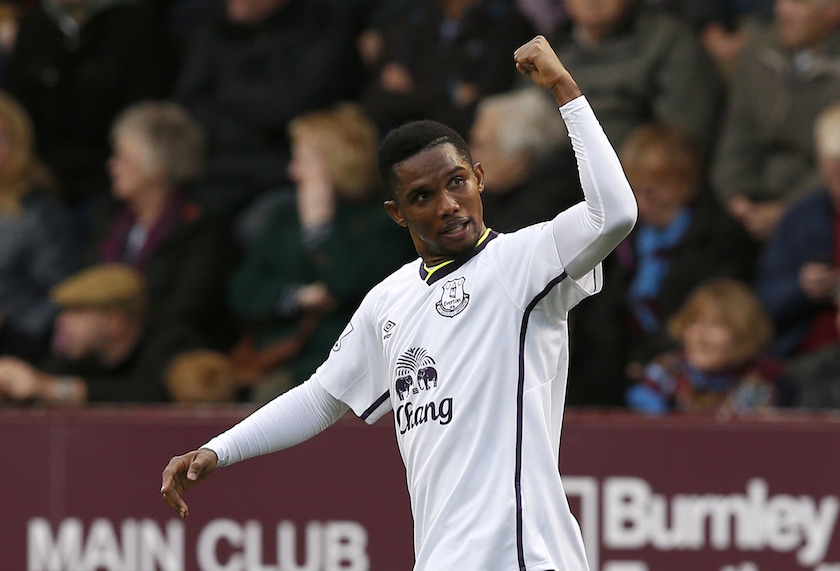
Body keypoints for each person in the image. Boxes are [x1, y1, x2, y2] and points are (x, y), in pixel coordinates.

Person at [161, 35, 637, 571]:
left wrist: (564, 89)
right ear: (397, 213)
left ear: (479, 178)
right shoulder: (389, 301)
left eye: (458, 182)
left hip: (526, 559)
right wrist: (219, 449)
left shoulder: (523, 261)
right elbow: (320, 398)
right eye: (423, 197)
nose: (449, 204)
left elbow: (614, 214)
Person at [227, 103, 415, 401]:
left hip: (345, 365)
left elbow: (347, 282)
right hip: (273, 355)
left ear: (335, 161)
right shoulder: (284, 217)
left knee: (275, 397)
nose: (293, 172)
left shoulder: (386, 220)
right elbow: (243, 290)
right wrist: (297, 296)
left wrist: (319, 231)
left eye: (302, 160)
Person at [173, 0, 365, 215]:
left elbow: (294, 104)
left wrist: (226, 99)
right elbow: (190, 102)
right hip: (216, 161)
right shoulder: (216, 28)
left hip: (284, 165)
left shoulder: (324, 23)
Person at [2, 0, 174, 227]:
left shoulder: (137, 25)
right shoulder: (35, 25)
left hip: (106, 182)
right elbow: (16, 114)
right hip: (41, 180)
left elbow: (143, 115)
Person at [86, 101, 239, 351]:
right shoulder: (110, 215)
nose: (112, 166)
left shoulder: (202, 226)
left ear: (156, 166)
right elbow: (88, 281)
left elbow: (188, 307)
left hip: (170, 348)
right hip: (105, 343)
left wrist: (123, 326)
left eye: (122, 158)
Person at [616, 121, 758, 371]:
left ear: (686, 183)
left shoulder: (721, 237)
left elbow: (709, 315)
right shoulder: (625, 237)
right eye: (633, 190)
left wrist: (648, 361)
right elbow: (605, 317)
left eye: (652, 190)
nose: (641, 201)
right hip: (625, 363)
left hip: (689, 363)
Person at [711, 0, 840, 241]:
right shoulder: (757, 53)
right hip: (748, 205)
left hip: (818, 209)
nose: (783, 11)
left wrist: (785, 211)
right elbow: (736, 138)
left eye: (798, 3)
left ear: (833, 12)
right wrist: (737, 198)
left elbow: (833, 167)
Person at [0, 264, 203, 404]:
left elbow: (154, 394)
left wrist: (52, 390)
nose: (61, 322)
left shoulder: (171, 346)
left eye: (76, 312)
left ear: (116, 323)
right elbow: (44, 378)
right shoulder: (83, 356)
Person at [549, 0, 725, 156]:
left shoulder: (670, 41)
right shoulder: (554, 46)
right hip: (559, 166)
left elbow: (681, 141)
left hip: (631, 171)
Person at [753, 100, 840, 356]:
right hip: (804, 355)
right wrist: (801, 286)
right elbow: (763, 301)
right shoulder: (803, 217)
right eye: (832, 168)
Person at [0, 90, 80, 362]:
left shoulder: (40, 214)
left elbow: (62, 296)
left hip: (20, 348)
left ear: (18, 147)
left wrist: (9, 323)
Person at [626, 277, 781, 415]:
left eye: (716, 325)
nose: (700, 335)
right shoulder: (666, 372)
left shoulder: (759, 381)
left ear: (744, 334)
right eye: (693, 322)